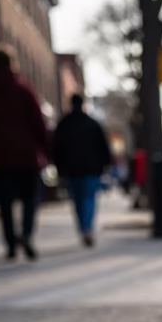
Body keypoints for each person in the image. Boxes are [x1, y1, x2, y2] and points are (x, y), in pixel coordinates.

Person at [0, 43, 50, 261]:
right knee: (30, 200)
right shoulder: (23, 90)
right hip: (26, 157)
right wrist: (46, 150)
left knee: (5, 204)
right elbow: (38, 124)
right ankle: (26, 235)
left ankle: (11, 242)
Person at [53, 94, 112, 247]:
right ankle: (87, 228)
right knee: (89, 199)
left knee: (78, 200)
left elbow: (55, 148)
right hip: (91, 169)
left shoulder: (64, 124)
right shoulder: (92, 124)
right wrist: (106, 165)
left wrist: (59, 168)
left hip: (71, 170)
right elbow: (103, 146)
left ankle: (83, 227)